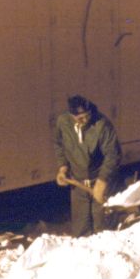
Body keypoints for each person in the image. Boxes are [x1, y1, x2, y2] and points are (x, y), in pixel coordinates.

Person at [54, 95, 121, 237]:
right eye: (80, 118)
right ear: (71, 116)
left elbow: (113, 155)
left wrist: (102, 181)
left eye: (87, 116)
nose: (85, 120)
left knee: (102, 231)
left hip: (99, 183)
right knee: (80, 231)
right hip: (77, 185)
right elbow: (59, 145)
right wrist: (63, 167)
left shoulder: (102, 125)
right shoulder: (63, 122)